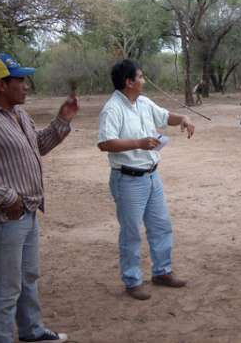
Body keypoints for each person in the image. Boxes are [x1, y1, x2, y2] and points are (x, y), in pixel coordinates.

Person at [0, 53, 78, 343]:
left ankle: (31, 331)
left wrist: (62, 120)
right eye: (20, 80)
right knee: (5, 289)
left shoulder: (19, 115)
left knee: (27, 279)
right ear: (1, 85)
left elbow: (38, 146)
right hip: (5, 219)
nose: (26, 86)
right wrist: (6, 197)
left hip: (27, 213)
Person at [98, 58, 195, 300]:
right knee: (131, 232)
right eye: (140, 77)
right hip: (128, 179)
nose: (143, 81)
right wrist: (138, 143)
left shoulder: (143, 102)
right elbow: (105, 143)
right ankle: (132, 280)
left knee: (161, 226)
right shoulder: (113, 108)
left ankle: (162, 272)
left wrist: (182, 118)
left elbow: (164, 116)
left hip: (152, 176)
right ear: (128, 82)